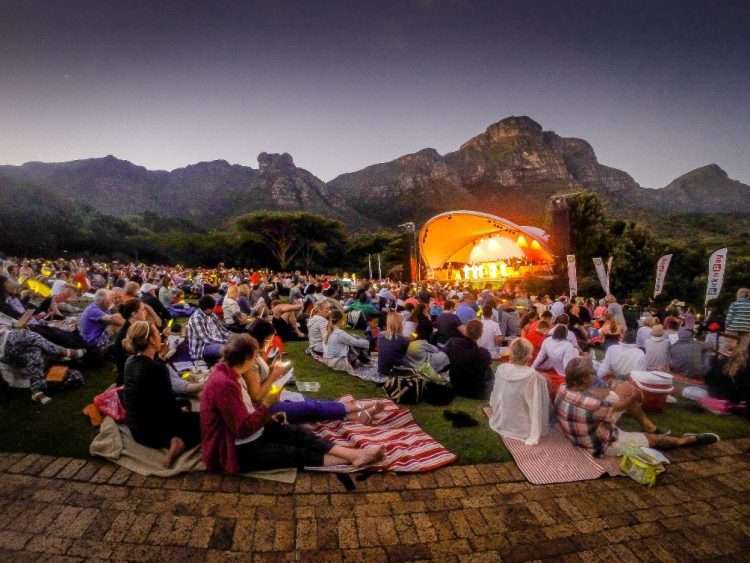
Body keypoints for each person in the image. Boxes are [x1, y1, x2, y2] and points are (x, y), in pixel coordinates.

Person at [200, 334, 385, 474]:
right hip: (237, 449)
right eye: (256, 356)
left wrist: (269, 417)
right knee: (293, 453)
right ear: (248, 358)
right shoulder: (224, 384)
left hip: (253, 433)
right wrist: (266, 404)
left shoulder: (231, 375)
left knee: (297, 434)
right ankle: (350, 459)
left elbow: (246, 411)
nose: (258, 359)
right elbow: (242, 428)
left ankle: (354, 455)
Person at [556, 357, 719, 457]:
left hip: (580, 432)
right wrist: (632, 397)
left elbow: (601, 398)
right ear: (584, 379)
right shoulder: (593, 404)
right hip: (600, 445)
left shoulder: (563, 387)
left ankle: (650, 426)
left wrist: (615, 390)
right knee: (652, 440)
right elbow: (616, 407)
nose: (594, 375)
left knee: (622, 394)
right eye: (592, 373)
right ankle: (685, 440)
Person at [244, 320, 383, 424]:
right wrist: (274, 376)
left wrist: (273, 369)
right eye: (270, 339)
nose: (271, 342)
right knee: (309, 407)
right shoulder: (250, 363)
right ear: (264, 339)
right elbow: (256, 397)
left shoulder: (255, 355)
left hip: (273, 397)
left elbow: (261, 381)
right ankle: (354, 408)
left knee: (309, 402)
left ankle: (352, 413)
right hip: (265, 407)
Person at [121, 321, 202, 467]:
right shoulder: (157, 369)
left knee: (183, 405)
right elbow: (168, 407)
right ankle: (177, 443)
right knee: (205, 420)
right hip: (156, 431)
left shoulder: (130, 361)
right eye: (157, 334)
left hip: (136, 430)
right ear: (151, 340)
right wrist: (183, 408)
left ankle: (175, 439)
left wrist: (160, 356)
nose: (161, 337)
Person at [0, 318, 85, 405]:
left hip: (10, 344)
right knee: (28, 335)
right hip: (4, 351)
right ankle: (65, 352)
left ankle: (36, 389)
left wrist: (15, 325)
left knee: (34, 350)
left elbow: (8, 324)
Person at [488, 338, 550, 445]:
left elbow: (496, 395)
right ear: (529, 356)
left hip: (502, 419)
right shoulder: (532, 375)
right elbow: (537, 405)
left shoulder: (501, 368)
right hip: (522, 428)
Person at [444, 319, 492, 399]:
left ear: (466, 330)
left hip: (456, 386)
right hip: (476, 392)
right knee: (491, 373)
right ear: (480, 334)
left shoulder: (453, 343)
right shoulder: (483, 353)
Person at [705, 334, 749, 415]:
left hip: (714, 394)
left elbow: (708, 380)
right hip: (732, 400)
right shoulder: (745, 368)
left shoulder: (723, 361)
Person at [186, 295, 231, 362]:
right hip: (202, 348)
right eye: (213, 308)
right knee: (227, 349)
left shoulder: (211, 314)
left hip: (217, 341)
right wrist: (226, 341)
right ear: (208, 309)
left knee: (237, 342)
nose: (214, 309)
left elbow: (222, 330)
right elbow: (207, 339)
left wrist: (231, 337)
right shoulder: (196, 319)